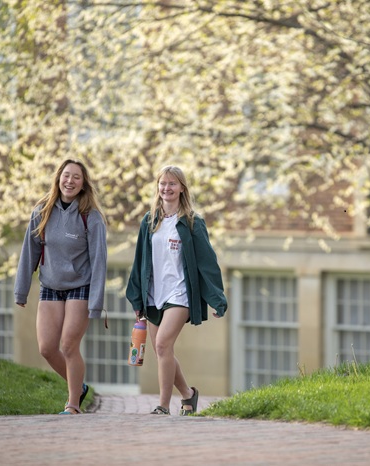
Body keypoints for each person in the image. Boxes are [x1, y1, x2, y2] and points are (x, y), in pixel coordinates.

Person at [126, 165, 228, 416]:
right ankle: (188, 395)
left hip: (179, 294)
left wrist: (217, 298)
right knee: (165, 350)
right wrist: (137, 296)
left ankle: (162, 405)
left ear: (182, 188)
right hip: (153, 295)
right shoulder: (149, 220)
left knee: (162, 345)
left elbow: (207, 263)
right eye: (163, 183)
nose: (166, 188)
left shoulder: (192, 222)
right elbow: (140, 261)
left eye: (172, 183)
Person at [14, 159, 108, 415]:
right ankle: (79, 386)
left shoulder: (91, 217)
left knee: (68, 346)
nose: (70, 181)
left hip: (80, 286)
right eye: (66, 176)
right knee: (46, 348)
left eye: (76, 177)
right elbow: (29, 252)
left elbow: (99, 262)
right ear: (58, 179)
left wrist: (96, 302)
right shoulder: (42, 211)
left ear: (83, 184)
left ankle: (73, 405)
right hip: (51, 286)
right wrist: (21, 290)